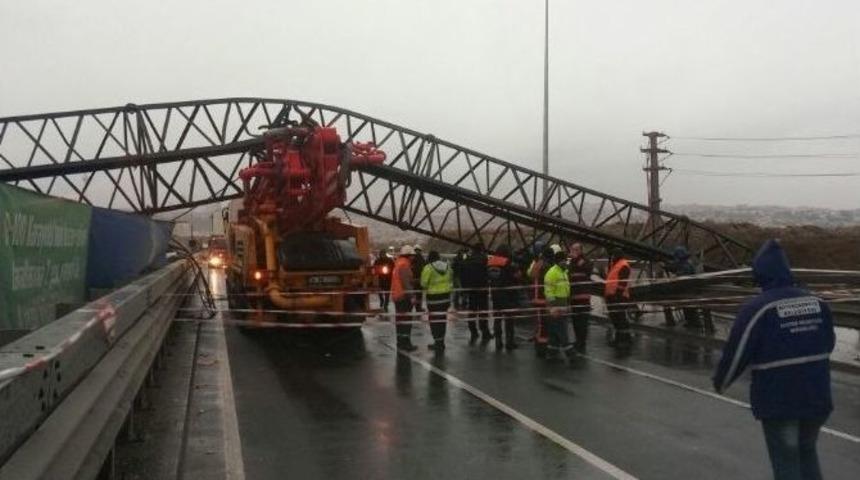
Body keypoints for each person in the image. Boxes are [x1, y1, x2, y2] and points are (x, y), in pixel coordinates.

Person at [713, 240, 834, 480]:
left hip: (780, 398)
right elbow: (828, 341)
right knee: (807, 451)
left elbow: (739, 350)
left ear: (760, 274)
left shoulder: (759, 308)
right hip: (817, 396)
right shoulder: (817, 303)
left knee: (786, 459)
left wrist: (721, 381)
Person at [487, 244, 520, 350]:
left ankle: (498, 341)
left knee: (497, 318)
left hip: (495, 293)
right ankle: (509, 342)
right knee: (509, 319)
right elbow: (516, 275)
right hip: (507, 293)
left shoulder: (490, 261)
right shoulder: (507, 262)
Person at [420, 251, 453, 352]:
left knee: (434, 320)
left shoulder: (428, 268)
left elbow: (423, 283)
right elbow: (451, 279)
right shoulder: (447, 267)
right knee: (442, 319)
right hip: (445, 298)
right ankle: (441, 341)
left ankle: (437, 342)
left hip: (434, 298)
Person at [543, 248, 572, 360]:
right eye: (563, 260)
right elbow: (548, 291)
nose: (565, 262)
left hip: (563, 302)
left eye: (566, 260)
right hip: (556, 303)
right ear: (558, 261)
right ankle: (570, 352)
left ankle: (551, 352)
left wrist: (568, 303)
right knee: (561, 328)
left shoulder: (564, 272)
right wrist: (553, 306)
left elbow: (566, 289)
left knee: (554, 329)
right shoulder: (552, 273)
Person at [460, 244, 492, 343]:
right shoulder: (485, 259)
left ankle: (473, 331)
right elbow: (489, 273)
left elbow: (463, 275)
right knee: (483, 311)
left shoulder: (467, 260)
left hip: (471, 289)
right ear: (481, 250)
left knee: (472, 310)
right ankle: (485, 331)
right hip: (482, 288)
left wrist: (465, 288)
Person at [567, 243, 594, 353]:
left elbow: (588, 268)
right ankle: (578, 340)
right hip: (574, 296)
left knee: (582, 321)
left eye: (575, 249)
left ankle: (581, 342)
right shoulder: (572, 262)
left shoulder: (585, 261)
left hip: (582, 297)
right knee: (575, 320)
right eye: (572, 249)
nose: (573, 251)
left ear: (580, 250)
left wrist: (576, 259)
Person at [528, 244, 554, 356]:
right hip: (546, 298)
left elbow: (531, 275)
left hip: (539, 298)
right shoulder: (550, 266)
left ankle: (541, 346)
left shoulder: (539, 264)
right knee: (545, 324)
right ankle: (545, 346)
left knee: (541, 324)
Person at [390, 245, 418, 351]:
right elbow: (406, 283)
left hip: (398, 296)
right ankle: (406, 344)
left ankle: (401, 342)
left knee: (401, 321)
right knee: (406, 321)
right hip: (404, 297)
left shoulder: (398, 263)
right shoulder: (404, 265)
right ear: (408, 255)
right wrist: (412, 296)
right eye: (412, 255)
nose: (414, 257)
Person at [604, 248, 632, 348]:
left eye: (613, 255)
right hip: (612, 296)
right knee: (616, 319)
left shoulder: (623, 265)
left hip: (619, 297)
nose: (612, 257)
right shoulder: (615, 264)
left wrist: (617, 295)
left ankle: (624, 340)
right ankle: (620, 339)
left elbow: (622, 283)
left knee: (620, 319)